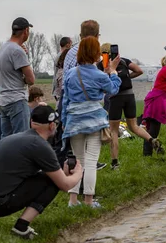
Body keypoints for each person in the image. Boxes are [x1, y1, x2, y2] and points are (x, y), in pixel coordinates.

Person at [0, 106, 84, 239]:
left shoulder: (16, 137)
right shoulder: (40, 146)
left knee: (6, 178)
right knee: (51, 182)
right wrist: (78, 173)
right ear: (51, 125)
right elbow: (65, 185)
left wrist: (62, 173)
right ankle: (21, 227)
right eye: (56, 124)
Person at [61, 36, 121, 207]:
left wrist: (65, 121)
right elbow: (113, 90)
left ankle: (73, 200)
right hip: (94, 120)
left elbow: (65, 100)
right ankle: (88, 201)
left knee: (77, 161)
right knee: (91, 161)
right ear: (96, 53)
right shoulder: (99, 75)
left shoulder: (70, 74)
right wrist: (114, 73)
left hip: (74, 120)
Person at [62, 20, 107, 170]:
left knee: (76, 154)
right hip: (85, 107)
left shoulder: (70, 52)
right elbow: (91, 82)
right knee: (89, 158)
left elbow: (65, 82)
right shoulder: (90, 54)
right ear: (97, 36)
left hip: (69, 103)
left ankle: (73, 186)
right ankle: (86, 187)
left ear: (80, 34)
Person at [97, 43, 151, 170]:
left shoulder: (101, 65)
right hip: (130, 96)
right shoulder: (124, 61)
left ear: (102, 53)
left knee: (114, 131)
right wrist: (127, 77)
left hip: (115, 97)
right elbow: (139, 70)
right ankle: (152, 140)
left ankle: (115, 162)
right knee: (134, 126)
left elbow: (101, 82)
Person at [0, 17, 35, 138]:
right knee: (21, 139)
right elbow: (31, 79)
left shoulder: (4, 47)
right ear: (26, 31)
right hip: (16, 100)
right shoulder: (17, 51)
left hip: (2, 100)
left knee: (6, 140)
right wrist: (24, 80)